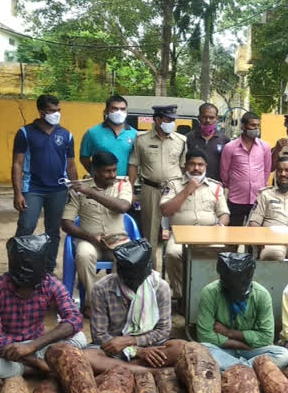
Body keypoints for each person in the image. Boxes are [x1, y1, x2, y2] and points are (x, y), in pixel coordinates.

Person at [0, 235, 86, 380]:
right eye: (20, 287)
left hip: (38, 346)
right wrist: (36, 362)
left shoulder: (51, 284)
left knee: (80, 338)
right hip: (7, 350)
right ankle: (38, 369)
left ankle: (15, 372)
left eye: (32, 287)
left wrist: (32, 346)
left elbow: (74, 319)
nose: (25, 293)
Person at [84, 239, 185, 373]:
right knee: (87, 356)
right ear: (119, 272)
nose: (133, 283)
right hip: (114, 351)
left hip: (152, 347)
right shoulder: (101, 288)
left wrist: (132, 342)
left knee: (182, 348)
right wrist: (137, 351)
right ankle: (151, 371)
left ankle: (125, 369)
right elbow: (99, 335)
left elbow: (163, 330)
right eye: (129, 279)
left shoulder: (161, 287)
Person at [12, 94, 78, 273]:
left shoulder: (66, 135)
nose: (56, 114)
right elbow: (17, 164)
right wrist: (18, 193)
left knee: (53, 230)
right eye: (51, 111)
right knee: (26, 226)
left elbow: (71, 164)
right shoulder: (25, 133)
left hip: (58, 189)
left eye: (58, 110)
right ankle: (20, 267)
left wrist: (75, 188)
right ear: (41, 112)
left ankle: (48, 269)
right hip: (32, 188)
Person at [61, 151, 132, 315]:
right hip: (89, 240)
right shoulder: (78, 189)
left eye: (114, 170)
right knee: (84, 254)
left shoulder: (122, 184)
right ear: (95, 171)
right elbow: (66, 223)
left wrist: (91, 192)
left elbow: (122, 207)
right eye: (107, 171)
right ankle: (94, 302)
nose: (112, 175)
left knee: (126, 256)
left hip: (117, 240)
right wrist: (89, 237)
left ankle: (115, 301)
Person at [197, 253, 288, 371]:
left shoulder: (261, 295)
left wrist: (229, 333)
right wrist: (239, 344)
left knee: (283, 354)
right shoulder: (210, 293)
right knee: (203, 347)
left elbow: (267, 337)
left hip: (252, 350)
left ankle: (231, 369)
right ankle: (248, 369)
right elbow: (205, 336)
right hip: (224, 349)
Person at [160, 149, 230, 297]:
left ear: (206, 166)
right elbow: (165, 210)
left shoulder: (215, 187)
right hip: (180, 235)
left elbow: (224, 214)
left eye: (200, 165)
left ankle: (210, 294)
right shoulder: (173, 185)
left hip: (208, 234)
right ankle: (181, 295)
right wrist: (187, 190)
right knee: (173, 253)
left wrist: (220, 226)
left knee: (224, 253)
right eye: (192, 164)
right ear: (185, 166)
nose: (196, 168)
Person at [128, 105, 187, 267]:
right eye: (168, 120)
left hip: (174, 191)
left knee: (177, 232)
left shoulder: (181, 141)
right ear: (157, 120)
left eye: (173, 120)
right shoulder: (141, 140)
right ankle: (151, 273)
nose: (172, 123)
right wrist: (130, 190)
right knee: (150, 234)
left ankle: (176, 274)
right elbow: (133, 165)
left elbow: (183, 168)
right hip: (150, 190)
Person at [219, 112, 272, 226]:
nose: (256, 128)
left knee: (255, 236)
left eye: (258, 125)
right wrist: (236, 185)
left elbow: (267, 170)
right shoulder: (230, 147)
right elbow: (224, 172)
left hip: (257, 199)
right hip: (236, 198)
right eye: (252, 125)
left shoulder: (264, 147)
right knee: (233, 234)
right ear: (243, 126)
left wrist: (261, 185)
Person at [80, 95, 137, 176]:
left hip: (123, 184)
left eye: (122, 109)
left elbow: (136, 163)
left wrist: (130, 184)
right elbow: (84, 158)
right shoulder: (92, 133)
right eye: (115, 108)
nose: (119, 112)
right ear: (106, 111)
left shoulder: (135, 134)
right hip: (100, 183)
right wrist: (96, 174)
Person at [186, 103, 230, 180]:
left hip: (216, 186)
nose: (208, 120)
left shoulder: (224, 139)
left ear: (216, 119)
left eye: (211, 117)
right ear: (199, 117)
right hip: (193, 184)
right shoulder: (188, 138)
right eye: (204, 117)